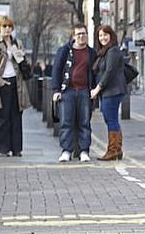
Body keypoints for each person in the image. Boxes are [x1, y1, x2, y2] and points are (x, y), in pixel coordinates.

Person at [0, 15, 31, 157]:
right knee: (2, 117)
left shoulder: (17, 43)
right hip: (1, 84)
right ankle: (1, 149)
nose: (7, 29)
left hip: (17, 83)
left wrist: (21, 56)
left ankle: (16, 148)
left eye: (9, 26)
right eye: (4, 26)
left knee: (16, 116)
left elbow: (22, 63)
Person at [51, 23, 96, 163]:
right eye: (78, 34)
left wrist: (95, 89)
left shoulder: (91, 52)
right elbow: (57, 70)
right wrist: (56, 90)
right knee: (66, 122)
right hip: (67, 91)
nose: (81, 36)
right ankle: (66, 151)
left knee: (84, 122)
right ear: (73, 36)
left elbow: (94, 72)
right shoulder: (65, 51)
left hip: (84, 91)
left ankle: (84, 151)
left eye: (83, 33)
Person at [91, 25, 128, 161]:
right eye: (100, 36)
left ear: (111, 35)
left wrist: (97, 88)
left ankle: (113, 150)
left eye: (105, 35)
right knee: (110, 119)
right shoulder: (104, 52)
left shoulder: (112, 51)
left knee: (111, 119)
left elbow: (110, 71)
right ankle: (116, 150)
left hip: (112, 90)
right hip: (109, 91)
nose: (103, 38)